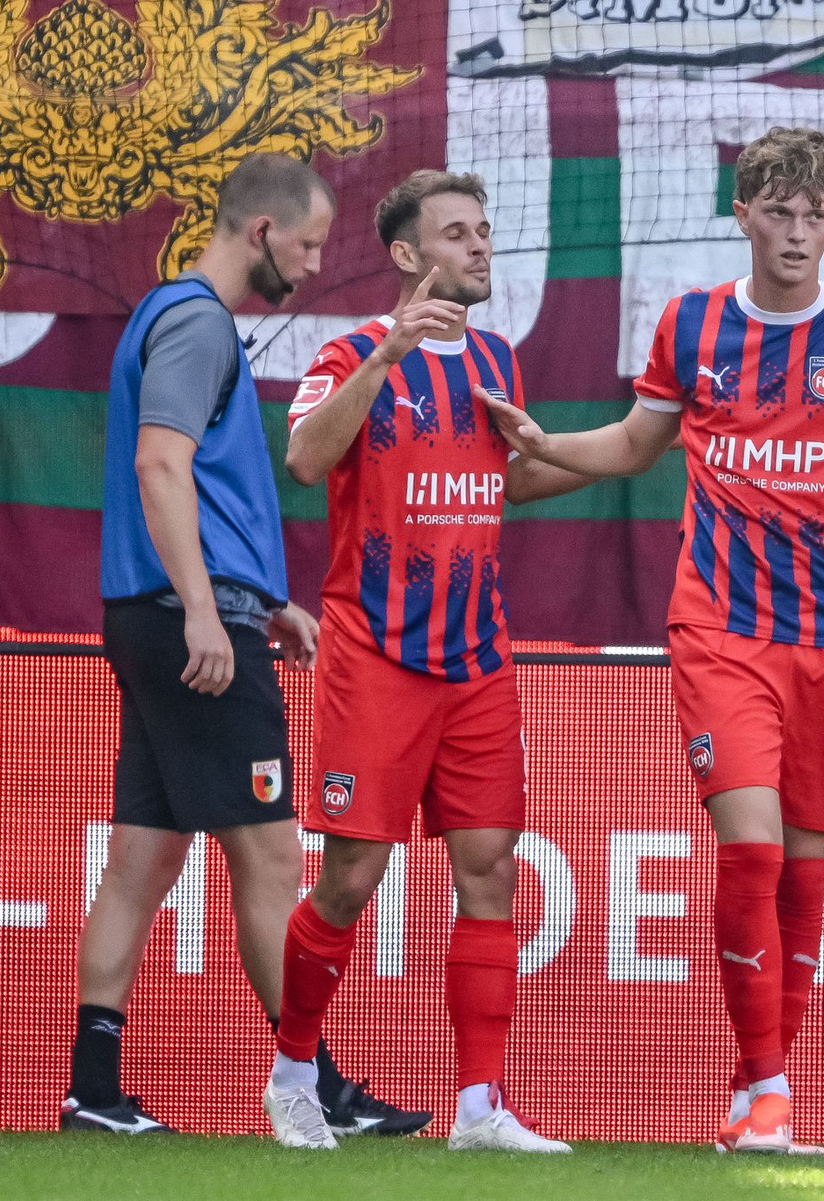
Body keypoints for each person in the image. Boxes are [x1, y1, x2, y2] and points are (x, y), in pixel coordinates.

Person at [482, 126, 824, 1155]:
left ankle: (754, 1095)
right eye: (778, 212)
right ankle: (767, 1090)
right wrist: (541, 450)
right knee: (754, 848)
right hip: (719, 627)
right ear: (744, 215)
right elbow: (634, 444)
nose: (796, 232)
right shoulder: (690, 323)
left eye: (815, 214)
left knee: (805, 877)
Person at [70, 153, 428, 1140]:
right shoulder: (197, 322)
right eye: (307, 244)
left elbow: (190, 486)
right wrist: (204, 607)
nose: (312, 265)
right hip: (186, 624)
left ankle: (92, 1092)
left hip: (166, 612)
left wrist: (257, 601)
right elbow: (160, 463)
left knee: (141, 859)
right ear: (261, 230)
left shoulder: (172, 316)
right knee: (270, 853)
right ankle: (314, 1086)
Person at [266, 169, 589, 1151]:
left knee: (490, 870)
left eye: (484, 230)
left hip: (478, 657)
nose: (480, 245)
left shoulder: (496, 358)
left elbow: (500, 482)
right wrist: (387, 354)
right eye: (457, 232)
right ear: (408, 255)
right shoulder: (350, 352)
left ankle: (481, 1107)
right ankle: (292, 1078)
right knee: (351, 877)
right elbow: (306, 460)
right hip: (375, 653)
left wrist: (612, 451)